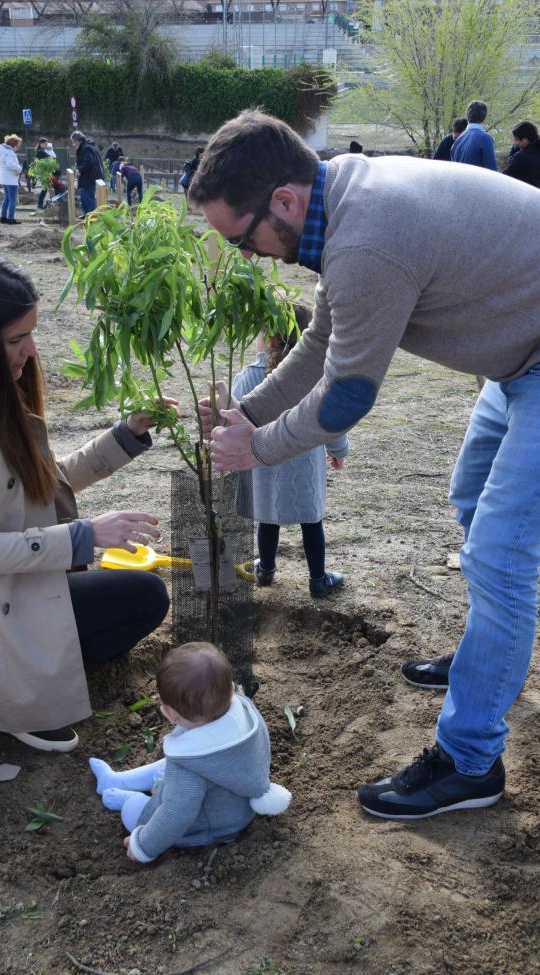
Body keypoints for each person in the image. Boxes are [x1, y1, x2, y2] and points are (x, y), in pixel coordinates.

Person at [188, 108, 540, 821]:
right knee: (470, 498)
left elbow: (345, 396)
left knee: (500, 559)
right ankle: (486, 656)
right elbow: (320, 342)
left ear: (282, 202)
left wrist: (253, 449)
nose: (247, 255)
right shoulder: (338, 196)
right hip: (518, 364)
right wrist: (247, 413)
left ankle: (470, 763)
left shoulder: (366, 239)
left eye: (241, 238)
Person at [0, 252, 171, 783]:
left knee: (129, 593)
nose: (30, 350)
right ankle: (3, 690)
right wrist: (84, 537)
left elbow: (38, 484)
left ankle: (40, 664)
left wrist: (126, 437)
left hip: (1, 585)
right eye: (17, 338)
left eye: (30, 333)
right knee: (145, 596)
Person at [89, 641, 291, 863]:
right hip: (237, 807)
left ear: (170, 714)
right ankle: (113, 780)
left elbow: (176, 815)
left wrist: (142, 846)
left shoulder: (190, 768)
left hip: (208, 827)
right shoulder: (246, 716)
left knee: (135, 811)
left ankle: (126, 796)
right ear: (231, 689)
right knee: (168, 765)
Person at [232, 306, 348, 598]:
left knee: (268, 517)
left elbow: (232, 414)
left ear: (270, 339)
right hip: (304, 463)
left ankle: (266, 570)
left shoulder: (249, 376)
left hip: (262, 460)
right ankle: (317, 579)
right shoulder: (316, 378)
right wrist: (338, 449)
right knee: (312, 521)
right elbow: (332, 419)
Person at [450, 100, 498, 170]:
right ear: (484, 117)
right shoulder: (485, 138)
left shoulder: (457, 141)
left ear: (467, 116)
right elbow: (492, 170)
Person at [71, 130, 104, 216]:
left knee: (88, 197)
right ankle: (86, 215)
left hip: (90, 178)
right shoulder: (87, 148)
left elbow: (89, 162)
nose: (73, 144)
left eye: (73, 142)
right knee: (84, 197)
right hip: (88, 177)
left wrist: (79, 170)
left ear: (78, 140)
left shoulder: (86, 148)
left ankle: (92, 217)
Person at [0, 133, 23, 224]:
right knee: (13, 199)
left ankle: (3, 217)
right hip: (11, 179)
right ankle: (10, 219)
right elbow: (11, 165)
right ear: (13, 145)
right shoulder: (10, 153)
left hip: (3, 178)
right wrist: (19, 169)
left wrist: (0, 164)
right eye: (17, 146)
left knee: (6, 198)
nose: (17, 148)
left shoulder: (0, 150)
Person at [502, 121, 540, 188]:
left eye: (516, 140)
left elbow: (505, 177)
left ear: (525, 139)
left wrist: (514, 150)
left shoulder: (521, 156)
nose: (515, 142)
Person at [33, 137, 58, 209]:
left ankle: (42, 204)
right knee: (45, 189)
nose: (47, 145)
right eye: (45, 144)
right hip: (44, 173)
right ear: (41, 144)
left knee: (46, 189)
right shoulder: (41, 152)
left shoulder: (42, 151)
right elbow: (51, 158)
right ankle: (40, 204)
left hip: (45, 173)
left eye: (47, 144)